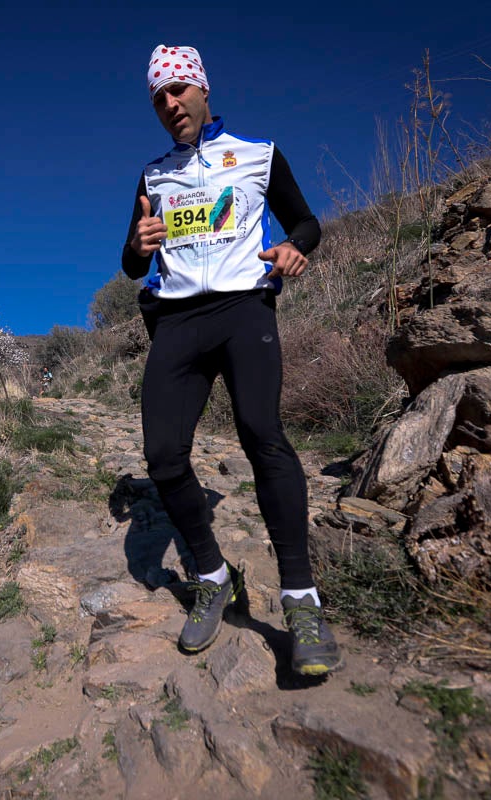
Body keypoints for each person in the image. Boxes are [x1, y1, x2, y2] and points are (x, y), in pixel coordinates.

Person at [121, 44, 341, 676]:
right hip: (177, 321)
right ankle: (215, 579)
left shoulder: (258, 154)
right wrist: (138, 244)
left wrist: (295, 248)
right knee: (163, 456)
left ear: (203, 90)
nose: (170, 104)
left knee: (262, 435)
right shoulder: (153, 176)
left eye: (178, 91)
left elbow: (305, 223)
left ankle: (301, 601)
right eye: (159, 98)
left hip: (244, 309)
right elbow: (132, 262)